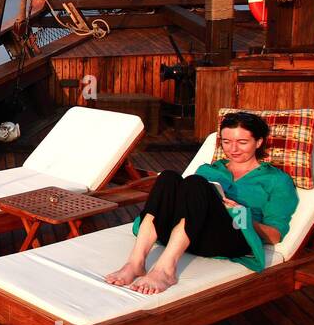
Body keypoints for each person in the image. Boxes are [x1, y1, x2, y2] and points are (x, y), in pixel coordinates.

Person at [104, 111, 299, 294]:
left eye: (242, 142)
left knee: (196, 183)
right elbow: (187, 205)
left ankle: (165, 270)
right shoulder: (210, 170)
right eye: (227, 141)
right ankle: (135, 263)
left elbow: (274, 236)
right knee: (168, 177)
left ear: (258, 142)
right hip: (190, 236)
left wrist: (240, 214)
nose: (233, 149)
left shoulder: (276, 180)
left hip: (230, 238)